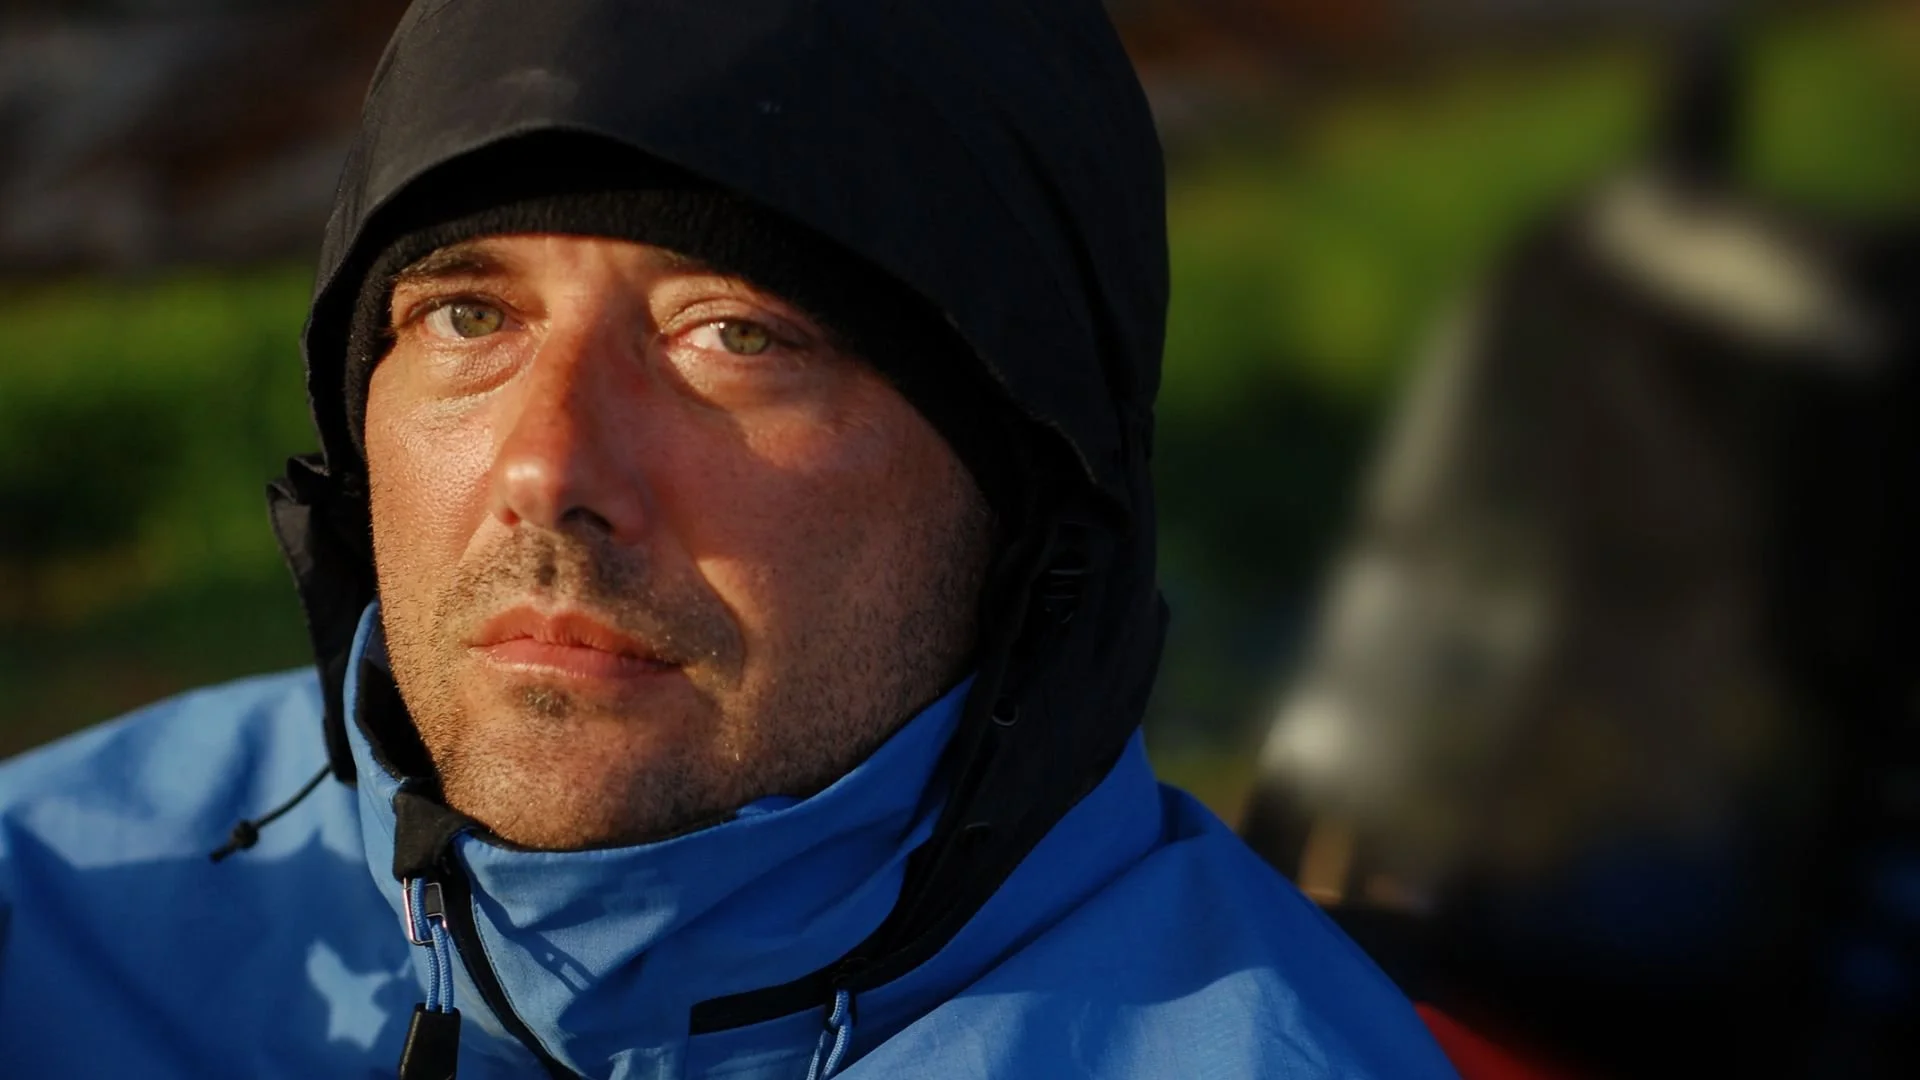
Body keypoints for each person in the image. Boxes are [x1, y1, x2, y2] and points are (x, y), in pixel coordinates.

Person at [0, 1, 1458, 1076]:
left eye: (736, 336)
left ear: (1025, 490)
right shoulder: (52, 914)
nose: (547, 468)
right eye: (468, 314)